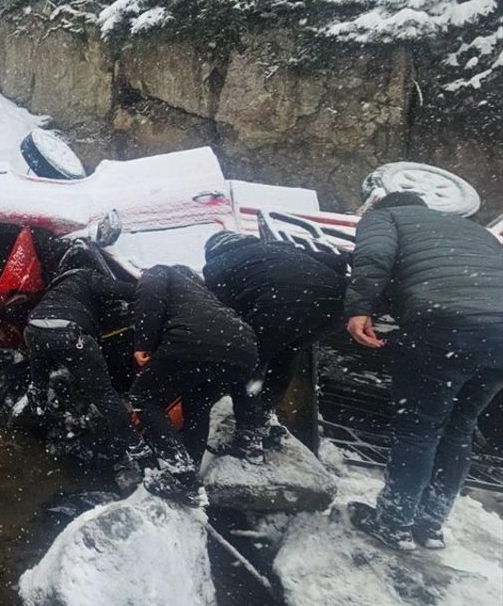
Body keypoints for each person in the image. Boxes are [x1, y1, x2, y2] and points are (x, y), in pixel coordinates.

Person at [344, 192, 503, 551]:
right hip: (499, 336)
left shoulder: (385, 219)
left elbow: (373, 257)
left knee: (418, 428)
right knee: (460, 428)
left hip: (444, 326)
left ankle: (394, 523)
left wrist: (360, 306)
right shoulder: (474, 230)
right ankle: (430, 526)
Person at [203, 232, 349, 462]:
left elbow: (227, 313)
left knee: (244, 364)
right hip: (335, 306)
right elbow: (339, 261)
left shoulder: (215, 267)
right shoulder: (280, 247)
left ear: (212, 251)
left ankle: (247, 438)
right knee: (286, 352)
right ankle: (261, 418)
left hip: (278, 304)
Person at [129, 264, 259, 505]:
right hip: (243, 350)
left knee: (144, 398)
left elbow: (149, 297)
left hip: (197, 339)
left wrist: (143, 343)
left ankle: (181, 472)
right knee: (197, 409)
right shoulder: (204, 295)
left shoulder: (161, 272)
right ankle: (189, 481)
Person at [21, 245, 149, 487]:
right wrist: (144, 291)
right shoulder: (85, 276)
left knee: (39, 377)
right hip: (70, 334)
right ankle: (139, 449)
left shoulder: (57, 285)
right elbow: (120, 290)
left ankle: (38, 412)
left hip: (34, 330)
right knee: (104, 395)